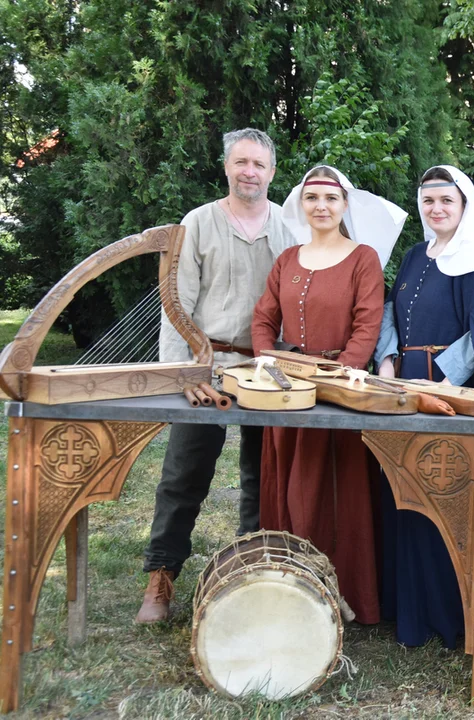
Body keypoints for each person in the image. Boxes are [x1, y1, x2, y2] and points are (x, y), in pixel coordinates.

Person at [139, 128, 295, 624]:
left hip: (265, 369)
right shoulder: (199, 223)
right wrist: (183, 372)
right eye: (241, 162)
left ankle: (250, 576)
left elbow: (297, 306)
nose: (250, 171)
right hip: (205, 367)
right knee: (184, 475)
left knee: (261, 477)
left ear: (272, 173)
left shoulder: (288, 230)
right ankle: (160, 580)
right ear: (227, 167)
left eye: (259, 164)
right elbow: (175, 304)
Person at [251, 165, 406, 623]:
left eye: (330, 199)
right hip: (288, 389)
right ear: (301, 204)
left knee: (340, 492)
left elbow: (367, 325)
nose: (321, 206)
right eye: (312, 198)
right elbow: (264, 318)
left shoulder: (364, 258)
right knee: (292, 488)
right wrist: (266, 358)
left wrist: (339, 376)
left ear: (344, 205)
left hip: (340, 390)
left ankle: (350, 597)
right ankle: (290, 590)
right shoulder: (287, 259)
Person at [374, 164, 474, 647]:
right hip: (403, 389)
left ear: (464, 205)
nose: (436, 209)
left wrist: (445, 382)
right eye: (429, 201)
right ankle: (408, 611)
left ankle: (447, 616)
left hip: (445, 396)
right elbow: (390, 310)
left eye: (446, 201)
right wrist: (387, 362)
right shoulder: (413, 255)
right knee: (405, 494)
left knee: (440, 499)